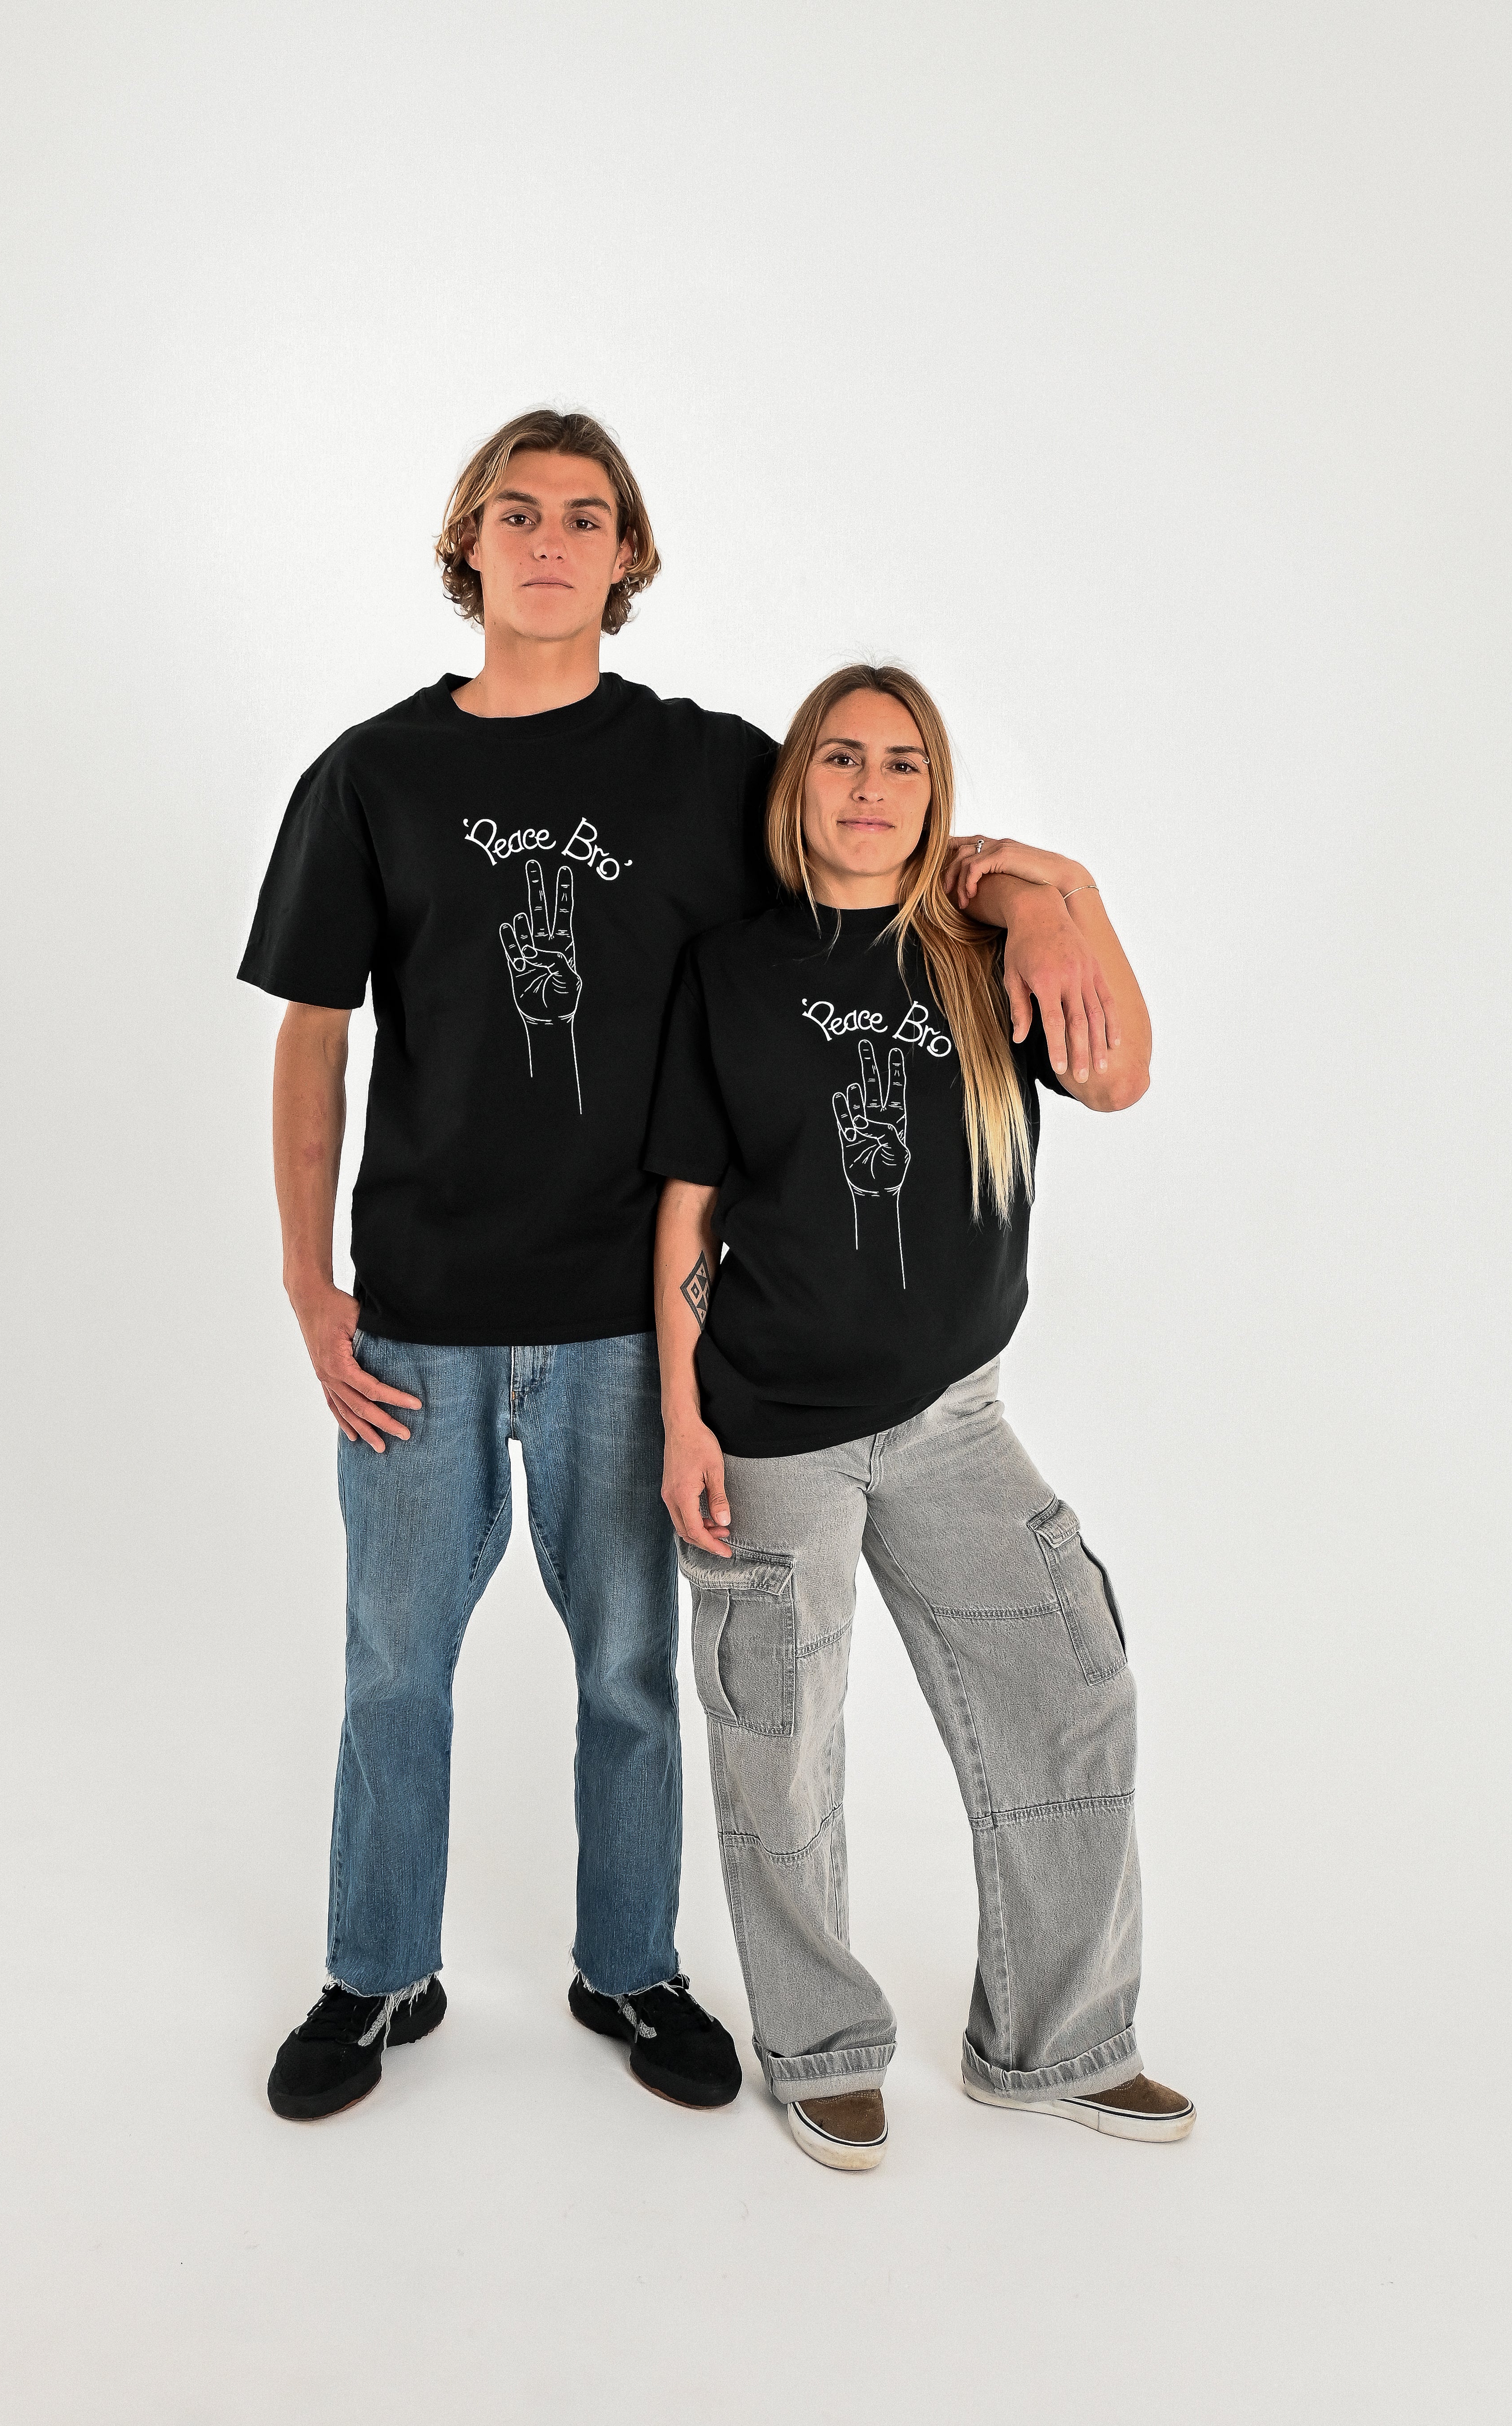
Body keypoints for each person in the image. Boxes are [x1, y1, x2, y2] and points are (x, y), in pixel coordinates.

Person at [238, 407, 1119, 2125]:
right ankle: (374, 1970)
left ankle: (630, 1964)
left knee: (637, 1672)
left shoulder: (705, 768)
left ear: (628, 556)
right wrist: (305, 1274)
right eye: (517, 513)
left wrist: (1054, 898)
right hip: (416, 1314)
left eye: (587, 516)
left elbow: (893, 856)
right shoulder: (372, 776)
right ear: (470, 545)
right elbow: (312, 1036)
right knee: (392, 1665)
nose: (550, 540)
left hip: (632, 1330)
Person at [646, 663, 1193, 2171]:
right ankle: (821, 2044)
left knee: (1073, 1684)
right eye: (841, 757)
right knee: (784, 1736)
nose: (870, 786)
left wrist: (1061, 892)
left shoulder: (982, 956)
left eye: (901, 761)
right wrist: (686, 1423)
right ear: (800, 786)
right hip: (774, 1428)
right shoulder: (732, 970)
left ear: (935, 794)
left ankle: (1059, 2042)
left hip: (955, 1421)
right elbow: (688, 1207)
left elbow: (1125, 1073)